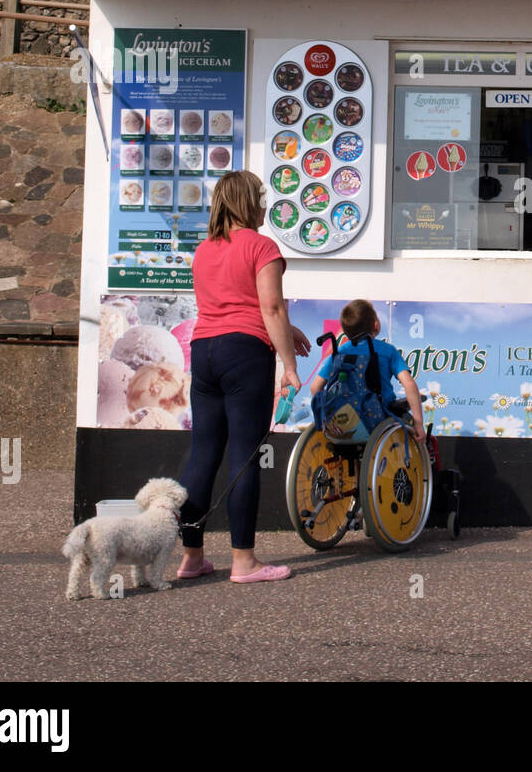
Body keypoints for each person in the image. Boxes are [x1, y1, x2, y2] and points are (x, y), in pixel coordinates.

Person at [178, 170, 310, 584]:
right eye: (260, 197)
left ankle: (192, 557)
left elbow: (231, 305)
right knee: (244, 454)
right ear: (247, 202)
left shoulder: (204, 250)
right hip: (245, 355)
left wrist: (289, 332)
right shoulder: (262, 246)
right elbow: (269, 308)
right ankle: (244, 562)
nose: (264, 204)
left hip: (204, 352)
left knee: (203, 454)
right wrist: (289, 366)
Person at [310, 299, 426, 445]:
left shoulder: (340, 353)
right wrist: (419, 423)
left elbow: (315, 387)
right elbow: (409, 384)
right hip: (380, 417)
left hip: (344, 420)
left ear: (345, 332)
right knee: (408, 423)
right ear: (376, 326)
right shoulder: (387, 350)